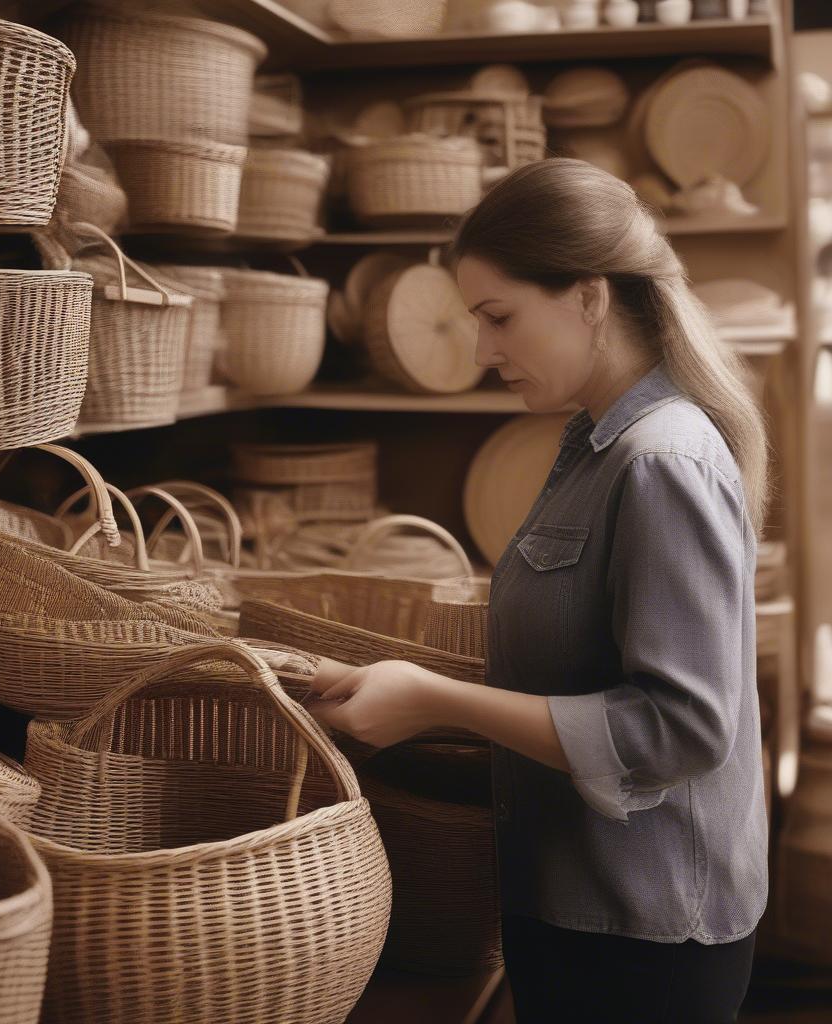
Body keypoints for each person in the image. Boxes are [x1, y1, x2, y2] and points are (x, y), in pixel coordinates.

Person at [309, 159, 769, 1023]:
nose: (482, 351)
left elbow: (684, 728)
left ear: (589, 297)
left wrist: (435, 702)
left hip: (642, 938)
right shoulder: (594, 443)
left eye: (498, 317)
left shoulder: (661, 459)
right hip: (572, 905)